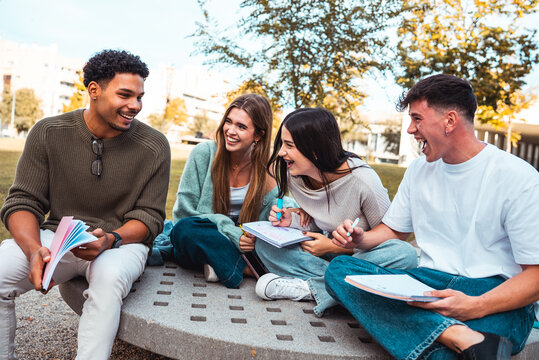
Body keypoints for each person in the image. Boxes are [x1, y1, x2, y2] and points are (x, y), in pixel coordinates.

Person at [327, 74, 539, 360]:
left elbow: (535, 277)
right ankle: (460, 335)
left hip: (494, 293)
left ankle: (443, 334)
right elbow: (394, 230)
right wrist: (361, 239)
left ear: (450, 121)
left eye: (417, 119)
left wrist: (474, 306)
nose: (411, 130)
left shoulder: (518, 177)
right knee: (340, 271)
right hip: (427, 284)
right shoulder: (418, 171)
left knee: (441, 357)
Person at [0, 49, 171, 360]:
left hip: (122, 243)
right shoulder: (49, 132)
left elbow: (150, 217)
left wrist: (112, 238)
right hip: (59, 237)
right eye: (125, 95)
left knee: (107, 280)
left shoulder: (155, 145)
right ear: (94, 90)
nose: (135, 105)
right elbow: (23, 201)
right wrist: (33, 249)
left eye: (140, 96)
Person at [253, 108, 417, 317]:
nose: (281, 152)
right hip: (329, 260)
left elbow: (389, 238)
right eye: (282, 144)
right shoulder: (295, 174)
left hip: (361, 256)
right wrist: (292, 220)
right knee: (265, 244)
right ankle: (343, 288)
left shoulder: (364, 181)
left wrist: (334, 247)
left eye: (289, 145)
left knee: (404, 255)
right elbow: (321, 221)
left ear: (315, 150)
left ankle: (310, 289)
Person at [170, 94, 287, 288]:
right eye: (228, 122)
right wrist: (230, 232)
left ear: (258, 135)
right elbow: (183, 214)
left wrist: (285, 211)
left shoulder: (269, 169)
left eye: (241, 127)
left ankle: (219, 265)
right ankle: (250, 270)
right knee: (184, 230)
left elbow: (272, 219)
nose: (230, 131)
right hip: (207, 237)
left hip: (246, 244)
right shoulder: (203, 153)